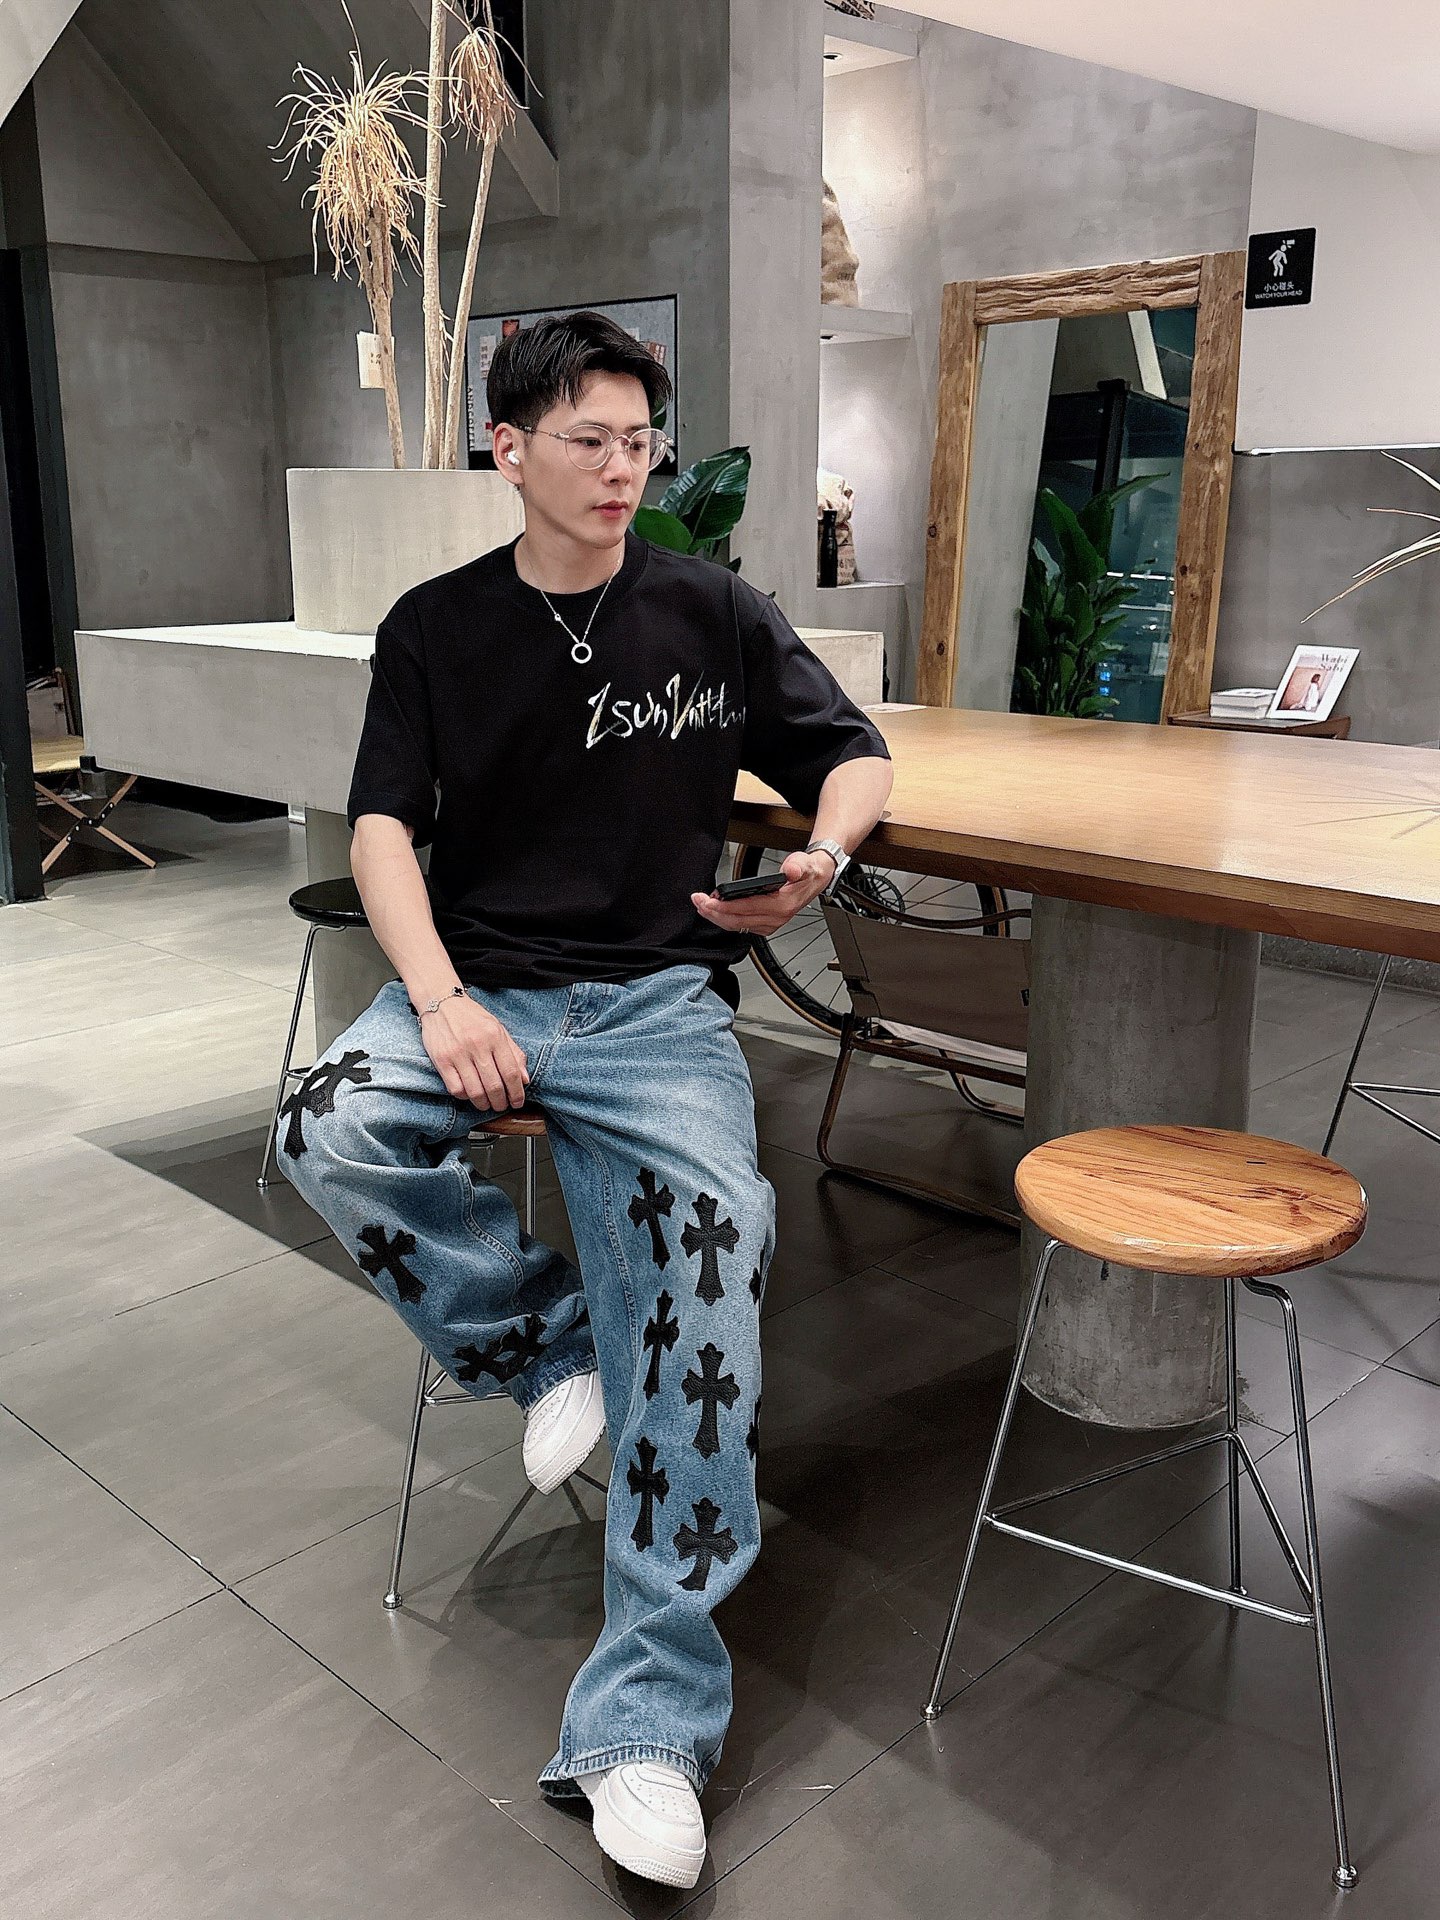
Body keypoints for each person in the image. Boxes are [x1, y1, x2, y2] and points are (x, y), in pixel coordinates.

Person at [280, 310, 894, 1889]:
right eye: (591, 442)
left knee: (714, 1251)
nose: (625, 470)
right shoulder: (435, 627)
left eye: (642, 444)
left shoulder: (712, 609)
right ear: (510, 450)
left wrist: (821, 859)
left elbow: (854, 754)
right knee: (329, 1125)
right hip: (480, 984)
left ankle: (649, 1727)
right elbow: (380, 830)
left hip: (656, 1004)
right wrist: (440, 999)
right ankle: (553, 1348)